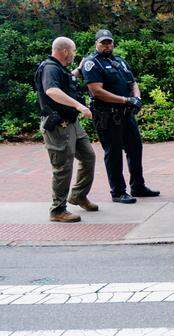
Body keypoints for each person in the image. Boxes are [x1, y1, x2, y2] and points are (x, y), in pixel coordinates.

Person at [81, 29, 157, 203]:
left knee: (135, 149)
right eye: (103, 43)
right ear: (96, 44)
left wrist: (136, 98)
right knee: (113, 153)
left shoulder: (119, 61)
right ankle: (118, 191)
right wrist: (125, 100)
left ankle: (138, 186)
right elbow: (97, 91)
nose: (107, 45)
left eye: (109, 42)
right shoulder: (91, 63)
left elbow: (133, 82)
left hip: (126, 114)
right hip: (107, 116)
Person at [36, 37, 96, 223]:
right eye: (74, 51)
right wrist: (79, 106)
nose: (74, 54)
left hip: (71, 123)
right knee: (63, 166)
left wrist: (78, 70)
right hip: (58, 125)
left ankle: (78, 194)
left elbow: (65, 81)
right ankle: (57, 210)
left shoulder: (59, 68)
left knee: (88, 156)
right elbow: (52, 91)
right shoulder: (50, 67)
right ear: (65, 52)